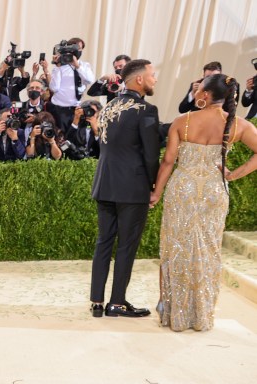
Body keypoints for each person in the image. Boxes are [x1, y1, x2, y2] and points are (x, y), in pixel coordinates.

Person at [151, 75, 257, 331]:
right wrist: (233, 175)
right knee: (208, 250)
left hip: (183, 189)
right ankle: (201, 315)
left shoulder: (183, 121)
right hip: (214, 190)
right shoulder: (237, 124)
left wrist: (155, 193)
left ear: (206, 95)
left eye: (199, 89)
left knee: (176, 248)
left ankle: (175, 315)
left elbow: (168, 162)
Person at [89, 59, 161, 318]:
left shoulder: (108, 107)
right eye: (152, 75)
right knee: (126, 246)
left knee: (103, 244)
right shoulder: (145, 110)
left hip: (104, 184)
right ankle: (117, 303)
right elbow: (151, 155)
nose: (155, 79)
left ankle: (97, 302)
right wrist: (154, 185)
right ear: (139, 79)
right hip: (132, 188)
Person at [47, 37, 96, 135]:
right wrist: (57, 67)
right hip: (59, 108)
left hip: (76, 108)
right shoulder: (60, 67)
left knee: (74, 136)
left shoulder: (84, 66)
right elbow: (54, 88)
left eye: (80, 48)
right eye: (75, 48)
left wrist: (77, 65)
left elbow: (90, 80)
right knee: (60, 136)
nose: (78, 51)